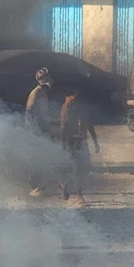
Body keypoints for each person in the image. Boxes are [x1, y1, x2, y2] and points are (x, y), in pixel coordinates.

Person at [59, 86, 100, 207]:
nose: (76, 99)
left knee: (86, 168)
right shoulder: (66, 109)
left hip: (82, 141)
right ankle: (79, 196)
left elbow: (89, 124)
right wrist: (64, 144)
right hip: (72, 142)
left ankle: (65, 185)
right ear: (69, 97)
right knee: (77, 168)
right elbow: (64, 129)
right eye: (74, 96)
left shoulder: (82, 108)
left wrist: (95, 141)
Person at [25, 67, 57, 196]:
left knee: (44, 157)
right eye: (46, 78)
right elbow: (30, 112)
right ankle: (35, 186)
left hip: (42, 130)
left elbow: (43, 113)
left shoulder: (43, 93)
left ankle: (41, 185)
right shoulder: (36, 93)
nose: (49, 81)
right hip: (35, 132)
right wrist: (36, 131)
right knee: (36, 158)